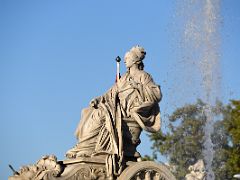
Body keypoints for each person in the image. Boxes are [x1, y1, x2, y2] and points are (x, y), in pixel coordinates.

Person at [66, 46, 162, 167]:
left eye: (128, 57)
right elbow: (110, 92)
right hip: (116, 109)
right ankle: (83, 145)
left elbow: (156, 94)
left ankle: (87, 147)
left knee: (100, 114)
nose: (125, 60)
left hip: (128, 112)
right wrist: (98, 99)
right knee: (87, 111)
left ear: (135, 60)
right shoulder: (124, 78)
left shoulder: (144, 76)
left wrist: (137, 87)